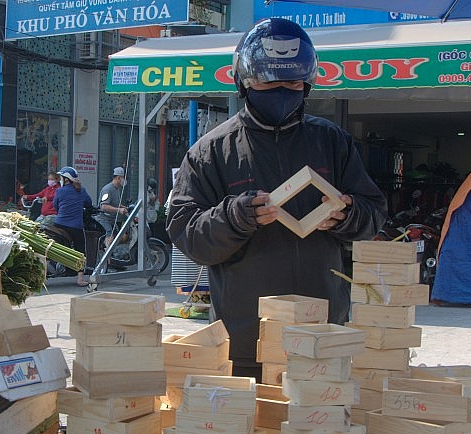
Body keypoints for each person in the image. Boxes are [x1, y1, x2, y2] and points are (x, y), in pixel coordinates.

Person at [166, 18, 387, 381]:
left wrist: (348, 215)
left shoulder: (332, 142)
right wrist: (235, 217)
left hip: (322, 332)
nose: (283, 91)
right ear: (244, 82)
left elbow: (374, 212)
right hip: (245, 339)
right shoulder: (211, 152)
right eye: (270, 82)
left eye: (294, 83)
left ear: (307, 84)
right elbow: (187, 234)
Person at [52, 166, 93, 287]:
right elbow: (89, 203)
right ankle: (80, 279)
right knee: (81, 251)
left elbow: (55, 206)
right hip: (76, 227)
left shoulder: (60, 191)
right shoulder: (81, 191)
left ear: (66, 179)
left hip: (59, 225)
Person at [95, 166, 129, 249]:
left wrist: (125, 207)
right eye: (123, 178)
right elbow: (104, 206)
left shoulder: (117, 189)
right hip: (104, 219)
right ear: (118, 178)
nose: (124, 180)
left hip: (112, 220)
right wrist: (119, 210)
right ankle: (107, 254)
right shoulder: (107, 189)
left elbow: (115, 203)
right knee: (109, 234)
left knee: (120, 235)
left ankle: (114, 252)